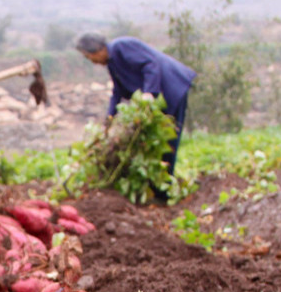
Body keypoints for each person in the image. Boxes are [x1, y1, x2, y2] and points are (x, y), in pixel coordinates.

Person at [75, 32, 196, 190]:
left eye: (88, 57)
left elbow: (150, 64)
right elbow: (118, 92)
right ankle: (158, 185)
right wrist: (109, 119)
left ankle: (165, 186)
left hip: (171, 86)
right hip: (159, 96)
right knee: (154, 141)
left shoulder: (122, 47)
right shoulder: (112, 63)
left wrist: (149, 93)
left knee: (168, 138)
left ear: (97, 50)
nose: (92, 62)